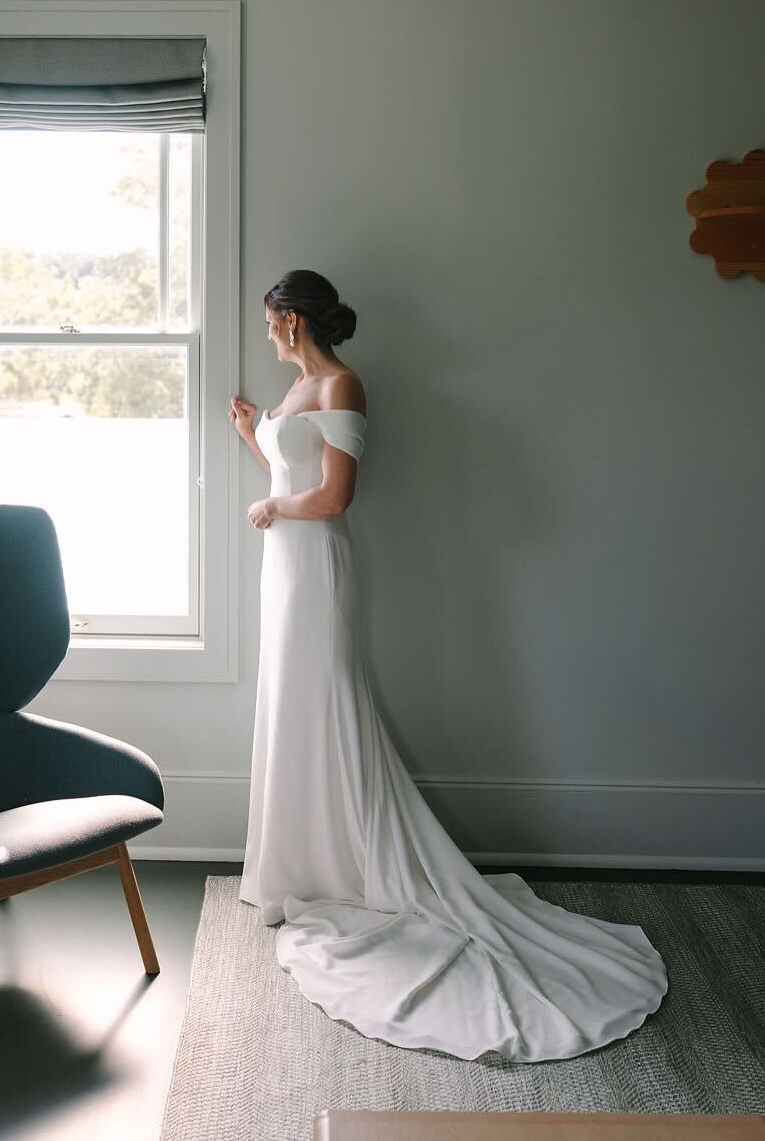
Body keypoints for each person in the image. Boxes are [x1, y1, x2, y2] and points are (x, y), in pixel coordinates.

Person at [229, 268, 668, 1062]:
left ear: (292, 320)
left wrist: (271, 507)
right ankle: (306, 858)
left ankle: (352, 860)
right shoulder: (294, 394)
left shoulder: (343, 387)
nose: (266, 335)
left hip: (316, 564)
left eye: (269, 323)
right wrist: (254, 438)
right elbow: (291, 473)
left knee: (323, 699)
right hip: (282, 569)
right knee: (290, 705)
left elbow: (333, 498)